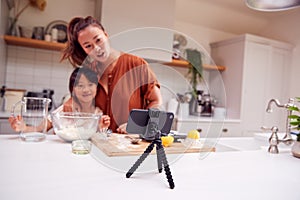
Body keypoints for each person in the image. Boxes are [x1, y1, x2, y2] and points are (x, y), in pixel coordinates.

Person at [61, 16, 163, 134]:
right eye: (88, 46)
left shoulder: (137, 65)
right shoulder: (88, 71)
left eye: (98, 40)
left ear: (106, 34)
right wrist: (71, 100)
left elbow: (157, 102)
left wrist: (138, 124)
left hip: (130, 143)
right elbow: (81, 101)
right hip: (98, 143)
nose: (97, 49)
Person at [8, 67, 110, 133]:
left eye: (90, 85)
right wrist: (23, 127)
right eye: (80, 85)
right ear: (73, 89)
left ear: (96, 87)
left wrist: (102, 128)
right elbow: (39, 129)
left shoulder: (98, 113)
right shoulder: (64, 110)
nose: (86, 90)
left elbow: (99, 139)